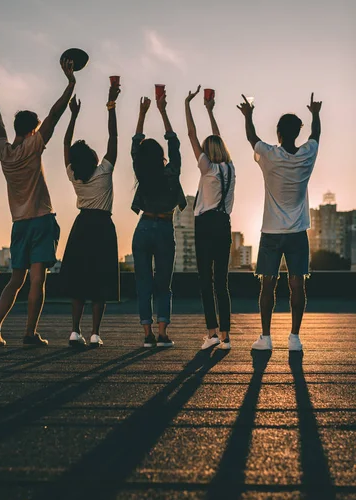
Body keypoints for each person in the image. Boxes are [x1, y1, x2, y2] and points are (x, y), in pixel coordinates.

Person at [0, 59, 76, 347]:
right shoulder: (34, 145)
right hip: (41, 220)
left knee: (16, 281)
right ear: (34, 129)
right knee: (38, 281)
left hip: (19, 224)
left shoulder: (4, 152)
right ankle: (29, 333)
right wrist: (70, 82)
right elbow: (55, 114)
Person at [237, 93, 322, 351]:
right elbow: (315, 136)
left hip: (272, 232)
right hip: (297, 232)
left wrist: (248, 115)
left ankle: (265, 337)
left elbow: (252, 138)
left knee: (268, 284)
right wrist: (315, 114)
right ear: (297, 132)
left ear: (278, 133)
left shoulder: (270, 155)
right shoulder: (307, 155)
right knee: (298, 284)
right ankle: (294, 338)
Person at [60, 81, 121, 348]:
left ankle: (75, 330)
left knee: (79, 281)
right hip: (102, 226)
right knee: (100, 280)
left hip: (82, 224)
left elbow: (65, 143)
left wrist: (73, 116)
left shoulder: (74, 175)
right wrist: (111, 105)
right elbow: (114, 138)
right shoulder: (104, 171)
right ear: (94, 157)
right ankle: (95, 333)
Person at [131, 91, 186, 348]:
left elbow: (134, 146)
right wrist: (163, 111)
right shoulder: (171, 171)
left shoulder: (141, 171)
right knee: (163, 283)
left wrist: (142, 114)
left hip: (143, 227)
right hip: (164, 227)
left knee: (144, 283)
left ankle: (147, 335)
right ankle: (163, 333)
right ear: (161, 156)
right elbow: (174, 142)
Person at [185, 86, 236, 351]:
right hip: (224, 224)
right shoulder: (230, 167)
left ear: (207, 152)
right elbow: (218, 137)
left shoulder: (208, 168)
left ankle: (212, 333)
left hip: (205, 224)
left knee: (205, 280)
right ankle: (226, 336)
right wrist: (210, 110)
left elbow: (192, 134)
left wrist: (187, 105)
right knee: (222, 283)